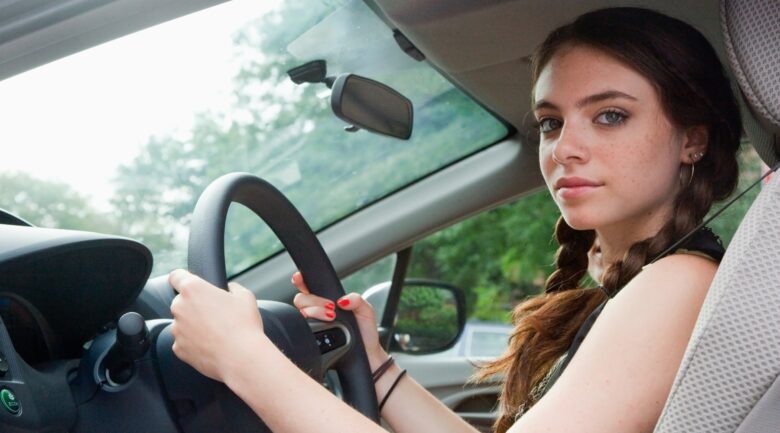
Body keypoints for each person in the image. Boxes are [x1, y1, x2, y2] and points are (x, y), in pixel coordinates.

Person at [168, 6, 742, 433]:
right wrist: (375, 364)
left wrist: (243, 358)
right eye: (550, 123)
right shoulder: (641, 285)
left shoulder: (681, 281)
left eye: (610, 116)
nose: (565, 148)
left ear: (692, 139)